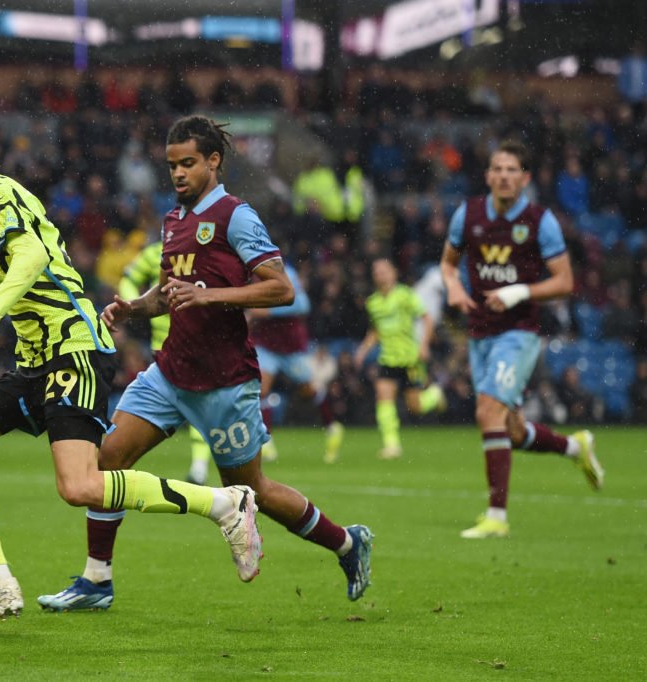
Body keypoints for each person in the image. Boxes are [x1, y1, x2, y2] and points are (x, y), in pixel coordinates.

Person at [0, 115, 263, 618]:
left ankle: (225, 504)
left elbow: (27, 256)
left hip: (73, 350)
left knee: (80, 486)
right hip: (37, 360)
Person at [37, 115, 373, 612]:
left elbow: (281, 288)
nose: (178, 173)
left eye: (188, 163)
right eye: (172, 164)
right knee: (108, 461)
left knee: (250, 489)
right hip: (170, 372)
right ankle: (96, 581)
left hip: (224, 382)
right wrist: (134, 308)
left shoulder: (238, 216)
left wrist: (212, 296)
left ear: (213, 161)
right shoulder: (174, 220)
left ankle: (347, 542)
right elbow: (173, 295)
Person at [439, 140, 604, 540]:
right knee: (510, 429)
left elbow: (565, 281)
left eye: (512, 169)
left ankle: (496, 515)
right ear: (488, 175)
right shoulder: (469, 214)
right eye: (497, 168)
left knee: (487, 414)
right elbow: (447, 263)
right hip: (479, 332)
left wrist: (519, 292)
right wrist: (454, 290)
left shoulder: (539, 220)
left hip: (519, 333)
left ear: (525, 178)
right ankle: (574, 448)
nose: (504, 176)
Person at [115, 239, 214, 484]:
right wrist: (131, 306)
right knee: (195, 402)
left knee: (198, 401)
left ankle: (200, 466)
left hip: (200, 342)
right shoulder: (153, 253)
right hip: (162, 343)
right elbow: (128, 279)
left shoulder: (205, 253)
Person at [248, 265, 345, 464]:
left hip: (291, 346)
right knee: (261, 389)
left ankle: (332, 426)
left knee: (308, 390)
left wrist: (268, 312)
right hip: (266, 343)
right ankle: (266, 441)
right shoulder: (251, 273)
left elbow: (303, 304)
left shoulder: (285, 272)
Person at [353, 257, 447, 460]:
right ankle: (391, 445)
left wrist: (424, 345)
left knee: (416, 406)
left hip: (409, 358)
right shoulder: (373, 303)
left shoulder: (405, 295)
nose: (381, 275)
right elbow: (375, 331)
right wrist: (362, 351)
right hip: (387, 358)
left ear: (394, 273)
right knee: (384, 397)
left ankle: (435, 394)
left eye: (384, 271)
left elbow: (427, 318)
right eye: (377, 272)